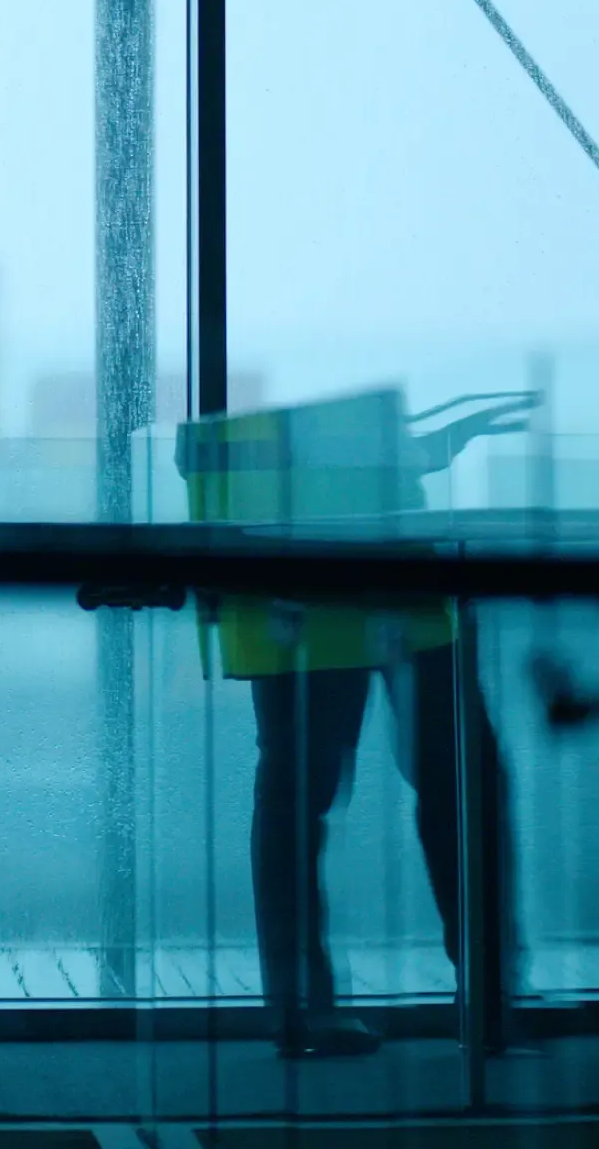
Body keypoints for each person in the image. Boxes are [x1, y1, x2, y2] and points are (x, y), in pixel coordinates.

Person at [180, 395, 525, 1059]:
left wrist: (421, 448)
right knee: (451, 776)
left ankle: (307, 1007)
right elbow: (328, 433)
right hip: (338, 553)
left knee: (306, 791)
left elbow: (313, 437)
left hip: (303, 549)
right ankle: (485, 995)